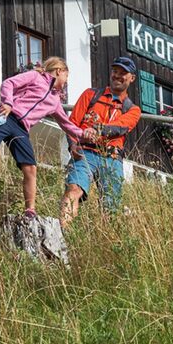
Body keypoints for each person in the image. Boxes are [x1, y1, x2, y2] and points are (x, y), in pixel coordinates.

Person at [0, 56, 96, 217]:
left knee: (30, 168)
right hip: (10, 116)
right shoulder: (35, 76)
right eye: (66, 76)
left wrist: (83, 134)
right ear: (59, 71)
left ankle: (30, 210)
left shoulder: (55, 101)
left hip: (22, 130)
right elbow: (9, 83)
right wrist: (8, 102)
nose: (66, 82)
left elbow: (66, 124)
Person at [59, 56, 142, 229]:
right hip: (84, 153)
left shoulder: (133, 110)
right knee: (73, 190)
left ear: (132, 78)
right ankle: (62, 235)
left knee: (111, 209)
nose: (117, 76)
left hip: (112, 158)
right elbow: (73, 123)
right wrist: (73, 145)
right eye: (115, 71)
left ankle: (106, 246)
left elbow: (120, 127)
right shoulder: (90, 95)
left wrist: (96, 130)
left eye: (123, 73)